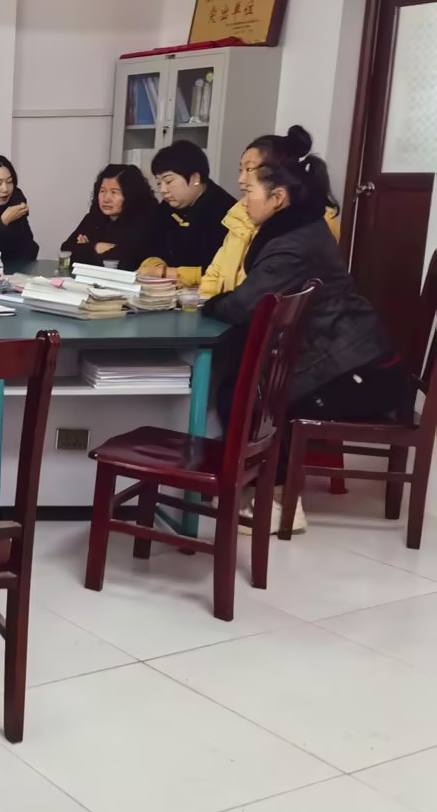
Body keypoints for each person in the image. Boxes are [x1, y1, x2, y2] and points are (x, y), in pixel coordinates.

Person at [203, 136, 407, 534]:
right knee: (243, 381)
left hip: (362, 373)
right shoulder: (300, 227)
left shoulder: (292, 243)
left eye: (249, 188)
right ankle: (251, 485)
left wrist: (209, 304)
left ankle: (279, 503)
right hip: (353, 360)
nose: (243, 197)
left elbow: (245, 304)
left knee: (254, 394)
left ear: (278, 197)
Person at [201, 126, 341, 298]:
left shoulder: (309, 224)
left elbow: (256, 296)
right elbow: (214, 275)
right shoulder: (240, 212)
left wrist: (217, 306)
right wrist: (204, 303)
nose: (241, 179)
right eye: (240, 170)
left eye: (249, 169)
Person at [138, 141, 235, 287]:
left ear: (195, 178)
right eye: (159, 183)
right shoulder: (166, 207)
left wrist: (165, 273)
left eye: (168, 181)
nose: (163, 190)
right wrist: (155, 265)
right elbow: (150, 244)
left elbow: (221, 272)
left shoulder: (225, 212)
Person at [60, 164, 159, 270]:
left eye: (114, 192)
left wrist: (85, 248)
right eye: (102, 191)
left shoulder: (145, 221)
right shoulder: (94, 217)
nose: (106, 199)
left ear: (131, 194)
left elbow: (123, 262)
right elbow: (66, 251)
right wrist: (96, 246)